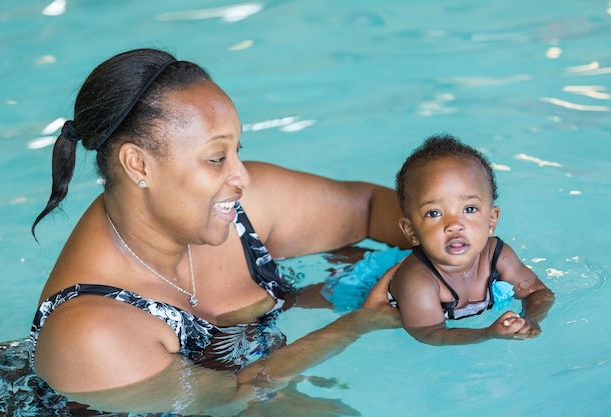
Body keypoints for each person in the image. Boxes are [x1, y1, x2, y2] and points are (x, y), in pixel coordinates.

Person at [29, 47, 411, 414]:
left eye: (237, 151)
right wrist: (361, 321)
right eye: (216, 158)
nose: (241, 177)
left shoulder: (234, 210)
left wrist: (457, 241)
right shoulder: (91, 332)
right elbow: (239, 401)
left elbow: (369, 207)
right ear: (138, 165)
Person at [384, 134, 555, 345]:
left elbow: (539, 292)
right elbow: (430, 334)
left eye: (470, 209)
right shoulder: (418, 280)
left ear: (491, 221)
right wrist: (487, 333)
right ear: (411, 232)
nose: (454, 224)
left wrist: (530, 319)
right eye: (434, 213)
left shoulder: (497, 255)